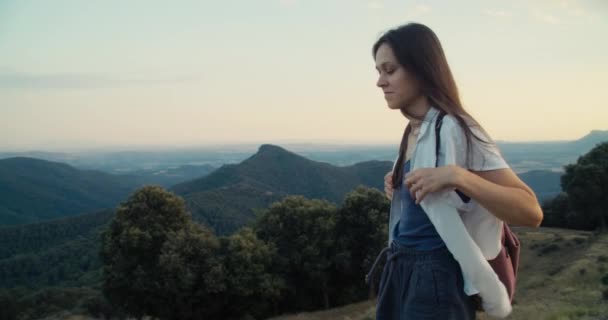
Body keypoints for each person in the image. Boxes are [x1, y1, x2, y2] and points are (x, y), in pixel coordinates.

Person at [367, 23, 543, 319]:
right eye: (378, 72)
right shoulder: (414, 132)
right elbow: (433, 210)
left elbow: (531, 211)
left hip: (436, 278)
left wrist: (459, 177)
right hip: (400, 271)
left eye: (390, 70)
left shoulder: (458, 128)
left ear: (421, 69)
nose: (380, 82)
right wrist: (399, 189)